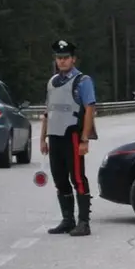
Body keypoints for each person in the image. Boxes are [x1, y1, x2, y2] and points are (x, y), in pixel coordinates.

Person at [40, 40, 98, 237]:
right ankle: (67, 220)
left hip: (72, 135)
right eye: (59, 58)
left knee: (78, 178)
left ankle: (84, 222)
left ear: (73, 59)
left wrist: (85, 139)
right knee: (59, 179)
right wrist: (42, 138)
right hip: (54, 136)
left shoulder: (82, 81)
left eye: (65, 58)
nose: (62, 61)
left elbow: (90, 109)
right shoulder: (52, 82)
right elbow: (47, 111)